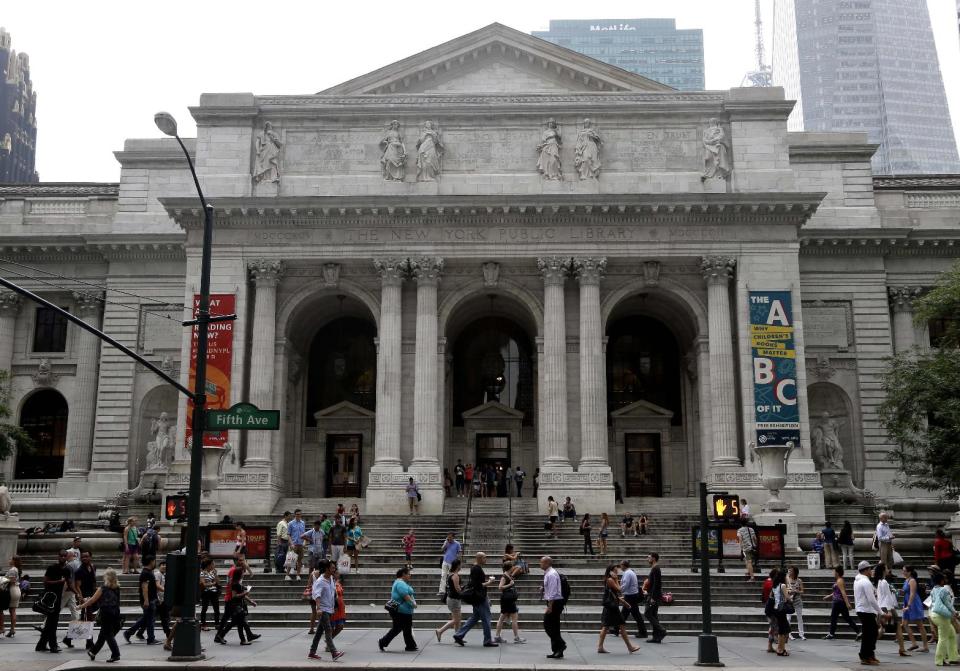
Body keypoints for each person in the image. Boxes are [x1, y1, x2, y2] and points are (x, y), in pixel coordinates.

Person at [453, 552, 497, 647]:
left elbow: (476, 583)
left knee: (475, 617)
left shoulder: (475, 568)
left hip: (478, 597)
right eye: (485, 558)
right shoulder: (476, 569)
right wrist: (489, 582)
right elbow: (477, 585)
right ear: (480, 558)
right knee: (486, 618)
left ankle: (459, 635)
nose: (486, 559)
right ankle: (487, 640)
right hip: (479, 598)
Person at [79, 567, 121, 663]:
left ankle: (116, 654)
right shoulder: (117, 588)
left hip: (106, 613)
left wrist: (81, 606)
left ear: (107, 577)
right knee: (103, 635)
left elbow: (92, 600)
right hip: (115, 613)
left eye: (104, 575)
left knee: (108, 635)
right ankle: (93, 652)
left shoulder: (102, 588)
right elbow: (118, 602)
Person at [597, 563, 640, 654]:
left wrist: (624, 602)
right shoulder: (610, 580)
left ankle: (600, 647)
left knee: (606, 627)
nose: (617, 571)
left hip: (611, 606)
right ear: (611, 571)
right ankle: (630, 647)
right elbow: (620, 590)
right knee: (620, 626)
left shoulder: (610, 579)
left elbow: (615, 595)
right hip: (612, 607)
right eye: (615, 569)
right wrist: (616, 579)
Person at [308, 560, 344, 660]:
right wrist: (318, 608)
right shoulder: (320, 581)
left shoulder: (331, 579)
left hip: (329, 608)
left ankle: (312, 652)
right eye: (332, 568)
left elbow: (332, 593)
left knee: (319, 632)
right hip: (323, 609)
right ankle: (334, 653)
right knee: (328, 629)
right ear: (327, 569)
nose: (334, 569)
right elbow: (317, 595)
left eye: (334, 568)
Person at [35, 550, 69, 652]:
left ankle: (41, 645)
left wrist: (77, 593)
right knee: (52, 623)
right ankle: (53, 645)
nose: (63, 557)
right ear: (58, 557)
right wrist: (58, 582)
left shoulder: (66, 570)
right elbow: (45, 582)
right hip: (50, 598)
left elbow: (69, 583)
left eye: (64, 556)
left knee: (51, 622)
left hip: (58, 598)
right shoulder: (52, 568)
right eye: (61, 556)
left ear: (67, 557)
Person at [379, 566, 417, 652]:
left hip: (404, 610)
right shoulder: (400, 583)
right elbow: (405, 595)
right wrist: (413, 604)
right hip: (400, 610)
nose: (410, 576)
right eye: (409, 574)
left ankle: (410, 645)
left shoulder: (402, 582)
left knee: (406, 628)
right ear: (403, 574)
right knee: (398, 628)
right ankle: (382, 642)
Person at [65, 550, 97, 650]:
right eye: (82, 557)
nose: (84, 558)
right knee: (88, 619)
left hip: (91, 596)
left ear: (90, 557)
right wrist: (81, 598)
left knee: (84, 620)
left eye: (86, 556)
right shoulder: (79, 571)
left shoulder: (92, 567)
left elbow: (93, 582)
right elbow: (77, 586)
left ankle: (68, 638)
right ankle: (89, 642)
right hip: (84, 597)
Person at [874, 563, 908, 657]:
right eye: (886, 568)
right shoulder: (884, 582)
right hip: (888, 607)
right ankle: (902, 649)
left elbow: (880, 597)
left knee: (882, 628)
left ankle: (871, 644)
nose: (888, 569)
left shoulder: (879, 582)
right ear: (883, 570)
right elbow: (888, 597)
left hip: (882, 607)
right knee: (897, 628)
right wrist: (889, 610)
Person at [123, 555, 159, 645]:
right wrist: (146, 600)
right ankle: (150, 638)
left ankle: (129, 633)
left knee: (147, 619)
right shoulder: (146, 573)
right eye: (154, 561)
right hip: (148, 600)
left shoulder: (148, 572)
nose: (155, 563)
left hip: (151, 599)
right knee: (149, 619)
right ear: (151, 561)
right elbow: (144, 587)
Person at [853, 560, 881, 665]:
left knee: (871, 633)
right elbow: (871, 599)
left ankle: (869, 654)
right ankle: (866, 656)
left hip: (862, 609)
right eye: (870, 569)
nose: (871, 570)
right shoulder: (865, 582)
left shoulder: (858, 580)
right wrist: (881, 612)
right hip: (866, 610)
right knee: (870, 634)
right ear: (866, 570)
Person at [929, 570, 959, 666]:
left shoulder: (933, 589)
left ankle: (953, 657)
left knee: (951, 634)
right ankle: (940, 660)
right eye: (944, 579)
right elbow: (947, 604)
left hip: (934, 614)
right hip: (942, 616)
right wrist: (954, 612)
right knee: (943, 638)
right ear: (941, 581)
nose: (945, 580)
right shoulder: (944, 590)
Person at [823, 566, 860, 640]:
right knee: (844, 618)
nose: (833, 573)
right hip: (838, 602)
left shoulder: (840, 581)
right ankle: (858, 632)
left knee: (835, 618)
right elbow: (837, 592)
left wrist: (847, 604)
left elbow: (843, 593)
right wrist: (829, 596)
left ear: (837, 572)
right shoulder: (839, 580)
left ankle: (831, 634)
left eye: (834, 571)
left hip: (838, 602)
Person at [493, 560, 525, 644]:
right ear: (510, 567)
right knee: (514, 618)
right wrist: (510, 584)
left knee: (502, 617)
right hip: (508, 600)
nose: (513, 567)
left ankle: (497, 636)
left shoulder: (508, 575)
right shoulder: (504, 576)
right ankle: (516, 637)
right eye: (512, 566)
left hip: (507, 600)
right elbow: (500, 587)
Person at [540, 556, 566, 658]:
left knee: (548, 625)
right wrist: (543, 588)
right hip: (554, 602)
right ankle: (557, 650)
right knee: (554, 627)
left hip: (554, 603)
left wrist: (550, 606)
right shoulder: (549, 573)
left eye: (541, 563)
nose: (540, 564)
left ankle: (561, 645)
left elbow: (553, 592)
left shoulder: (551, 574)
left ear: (547, 563)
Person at [901, 565, 929, 653]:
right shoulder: (906, 580)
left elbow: (912, 594)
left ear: (909, 572)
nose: (903, 572)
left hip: (913, 604)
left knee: (920, 625)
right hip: (907, 602)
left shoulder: (912, 580)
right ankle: (914, 643)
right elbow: (906, 591)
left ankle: (925, 646)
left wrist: (908, 605)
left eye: (904, 570)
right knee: (904, 624)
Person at [619, 560, 647, 639]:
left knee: (635, 615)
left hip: (630, 596)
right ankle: (616, 629)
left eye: (621, 565)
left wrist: (619, 590)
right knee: (624, 614)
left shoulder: (628, 573)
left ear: (624, 565)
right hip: (631, 595)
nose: (620, 567)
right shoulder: (630, 572)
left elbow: (626, 584)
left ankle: (643, 632)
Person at [644, 553, 666, 643]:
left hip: (654, 596)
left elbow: (657, 584)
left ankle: (661, 630)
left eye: (648, 557)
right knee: (654, 615)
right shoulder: (654, 568)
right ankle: (656, 637)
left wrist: (652, 597)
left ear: (653, 558)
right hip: (653, 595)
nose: (647, 559)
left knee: (648, 613)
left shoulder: (656, 568)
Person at [771, 569, 791, 656]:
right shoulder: (782, 585)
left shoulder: (775, 585)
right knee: (783, 630)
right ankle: (780, 649)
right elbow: (787, 598)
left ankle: (781, 648)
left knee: (781, 630)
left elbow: (772, 596)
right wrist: (790, 596)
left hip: (776, 608)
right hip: (781, 609)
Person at [199, 557, 220, 631]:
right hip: (206, 592)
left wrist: (216, 574)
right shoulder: (202, 572)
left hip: (214, 592)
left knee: (216, 609)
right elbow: (203, 584)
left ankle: (217, 624)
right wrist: (212, 584)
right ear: (208, 565)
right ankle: (203, 625)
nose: (214, 565)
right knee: (204, 608)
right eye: (212, 564)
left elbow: (217, 582)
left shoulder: (212, 572)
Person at [786, 565, 805, 641]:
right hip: (789, 601)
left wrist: (796, 591)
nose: (789, 572)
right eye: (789, 570)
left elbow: (802, 591)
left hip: (797, 600)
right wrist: (788, 591)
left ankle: (801, 634)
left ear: (794, 572)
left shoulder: (799, 580)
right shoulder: (786, 580)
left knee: (799, 618)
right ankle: (789, 634)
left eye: (791, 570)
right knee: (788, 618)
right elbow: (784, 589)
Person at [0, 567, 21, 637]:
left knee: (1, 609)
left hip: (11, 590)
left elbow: (12, 580)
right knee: (13, 611)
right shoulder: (17, 569)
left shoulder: (13, 569)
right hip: (17, 589)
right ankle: (12, 629)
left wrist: (3, 579)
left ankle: (2, 628)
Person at [289, 509, 306, 579]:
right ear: (295, 515)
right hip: (294, 544)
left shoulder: (303, 523)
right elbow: (288, 535)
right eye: (297, 514)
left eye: (299, 514)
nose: (298, 515)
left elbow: (304, 533)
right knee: (291, 560)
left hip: (300, 544)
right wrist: (291, 544)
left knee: (299, 561)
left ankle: (298, 575)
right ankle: (287, 575)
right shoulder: (291, 523)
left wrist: (305, 542)